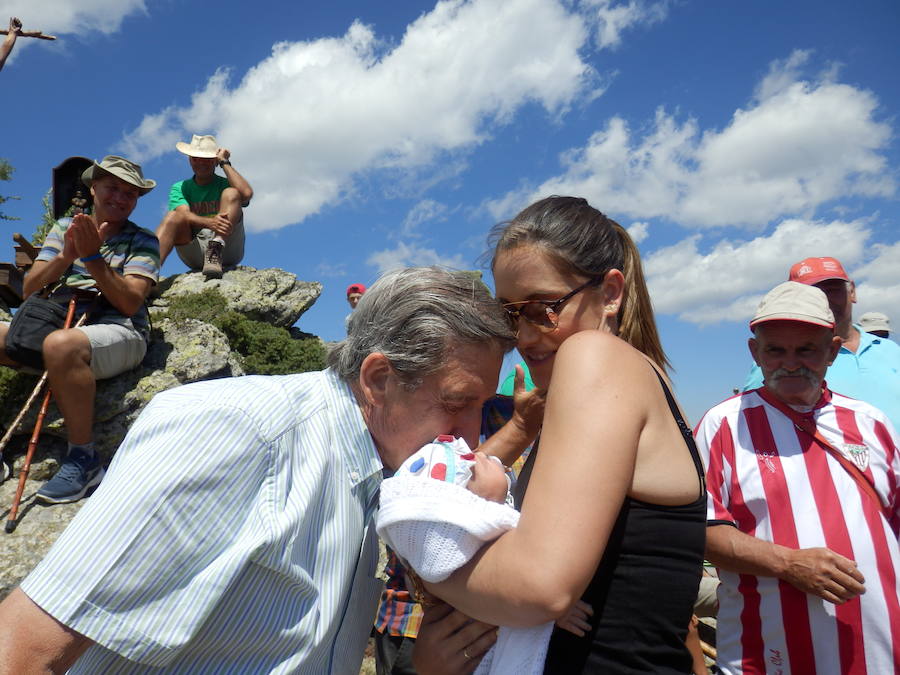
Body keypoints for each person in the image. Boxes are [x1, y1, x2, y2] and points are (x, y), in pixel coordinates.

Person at [0, 266, 514, 674]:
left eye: (480, 407)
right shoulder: (236, 432)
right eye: (456, 402)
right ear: (378, 378)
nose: (469, 437)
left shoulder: (378, 468)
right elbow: (25, 650)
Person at [416, 196, 707, 674]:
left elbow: (539, 587)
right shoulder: (635, 379)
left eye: (543, 309)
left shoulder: (594, 355)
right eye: (510, 315)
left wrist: (424, 558)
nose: (525, 338)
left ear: (610, 293)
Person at [695, 280, 900, 675]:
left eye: (806, 349)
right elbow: (698, 530)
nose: (791, 363)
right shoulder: (723, 425)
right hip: (770, 656)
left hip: (879, 654)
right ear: (756, 352)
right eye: (776, 350)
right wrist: (788, 563)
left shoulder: (872, 423)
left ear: (832, 352)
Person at [0, 155, 159, 503]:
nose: (121, 197)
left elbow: (131, 302)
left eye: (130, 194)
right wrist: (66, 255)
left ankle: (84, 458)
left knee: (61, 345)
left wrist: (92, 259)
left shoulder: (144, 240)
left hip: (120, 328)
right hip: (61, 318)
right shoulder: (63, 228)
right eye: (112, 188)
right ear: (93, 188)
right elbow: (29, 288)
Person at [743, 256, 900, 431]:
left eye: (832, 289)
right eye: (811, 292)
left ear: (852, 292)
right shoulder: (777, 362)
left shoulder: (891, 351)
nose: (823, 298)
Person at [155, 134, 253, 278]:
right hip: (194, 251)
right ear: (189, 160)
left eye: (206, 159)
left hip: (227, 250)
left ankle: (216, 248)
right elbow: (182, 214)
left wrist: (224, 162)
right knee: (172, 216)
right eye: (195, 158)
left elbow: (246, 193)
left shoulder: (226, 183)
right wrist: (210, 222)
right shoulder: (180, 187)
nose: (200, 163)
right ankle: (148, 273)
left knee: (232, 193)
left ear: (215, 161)